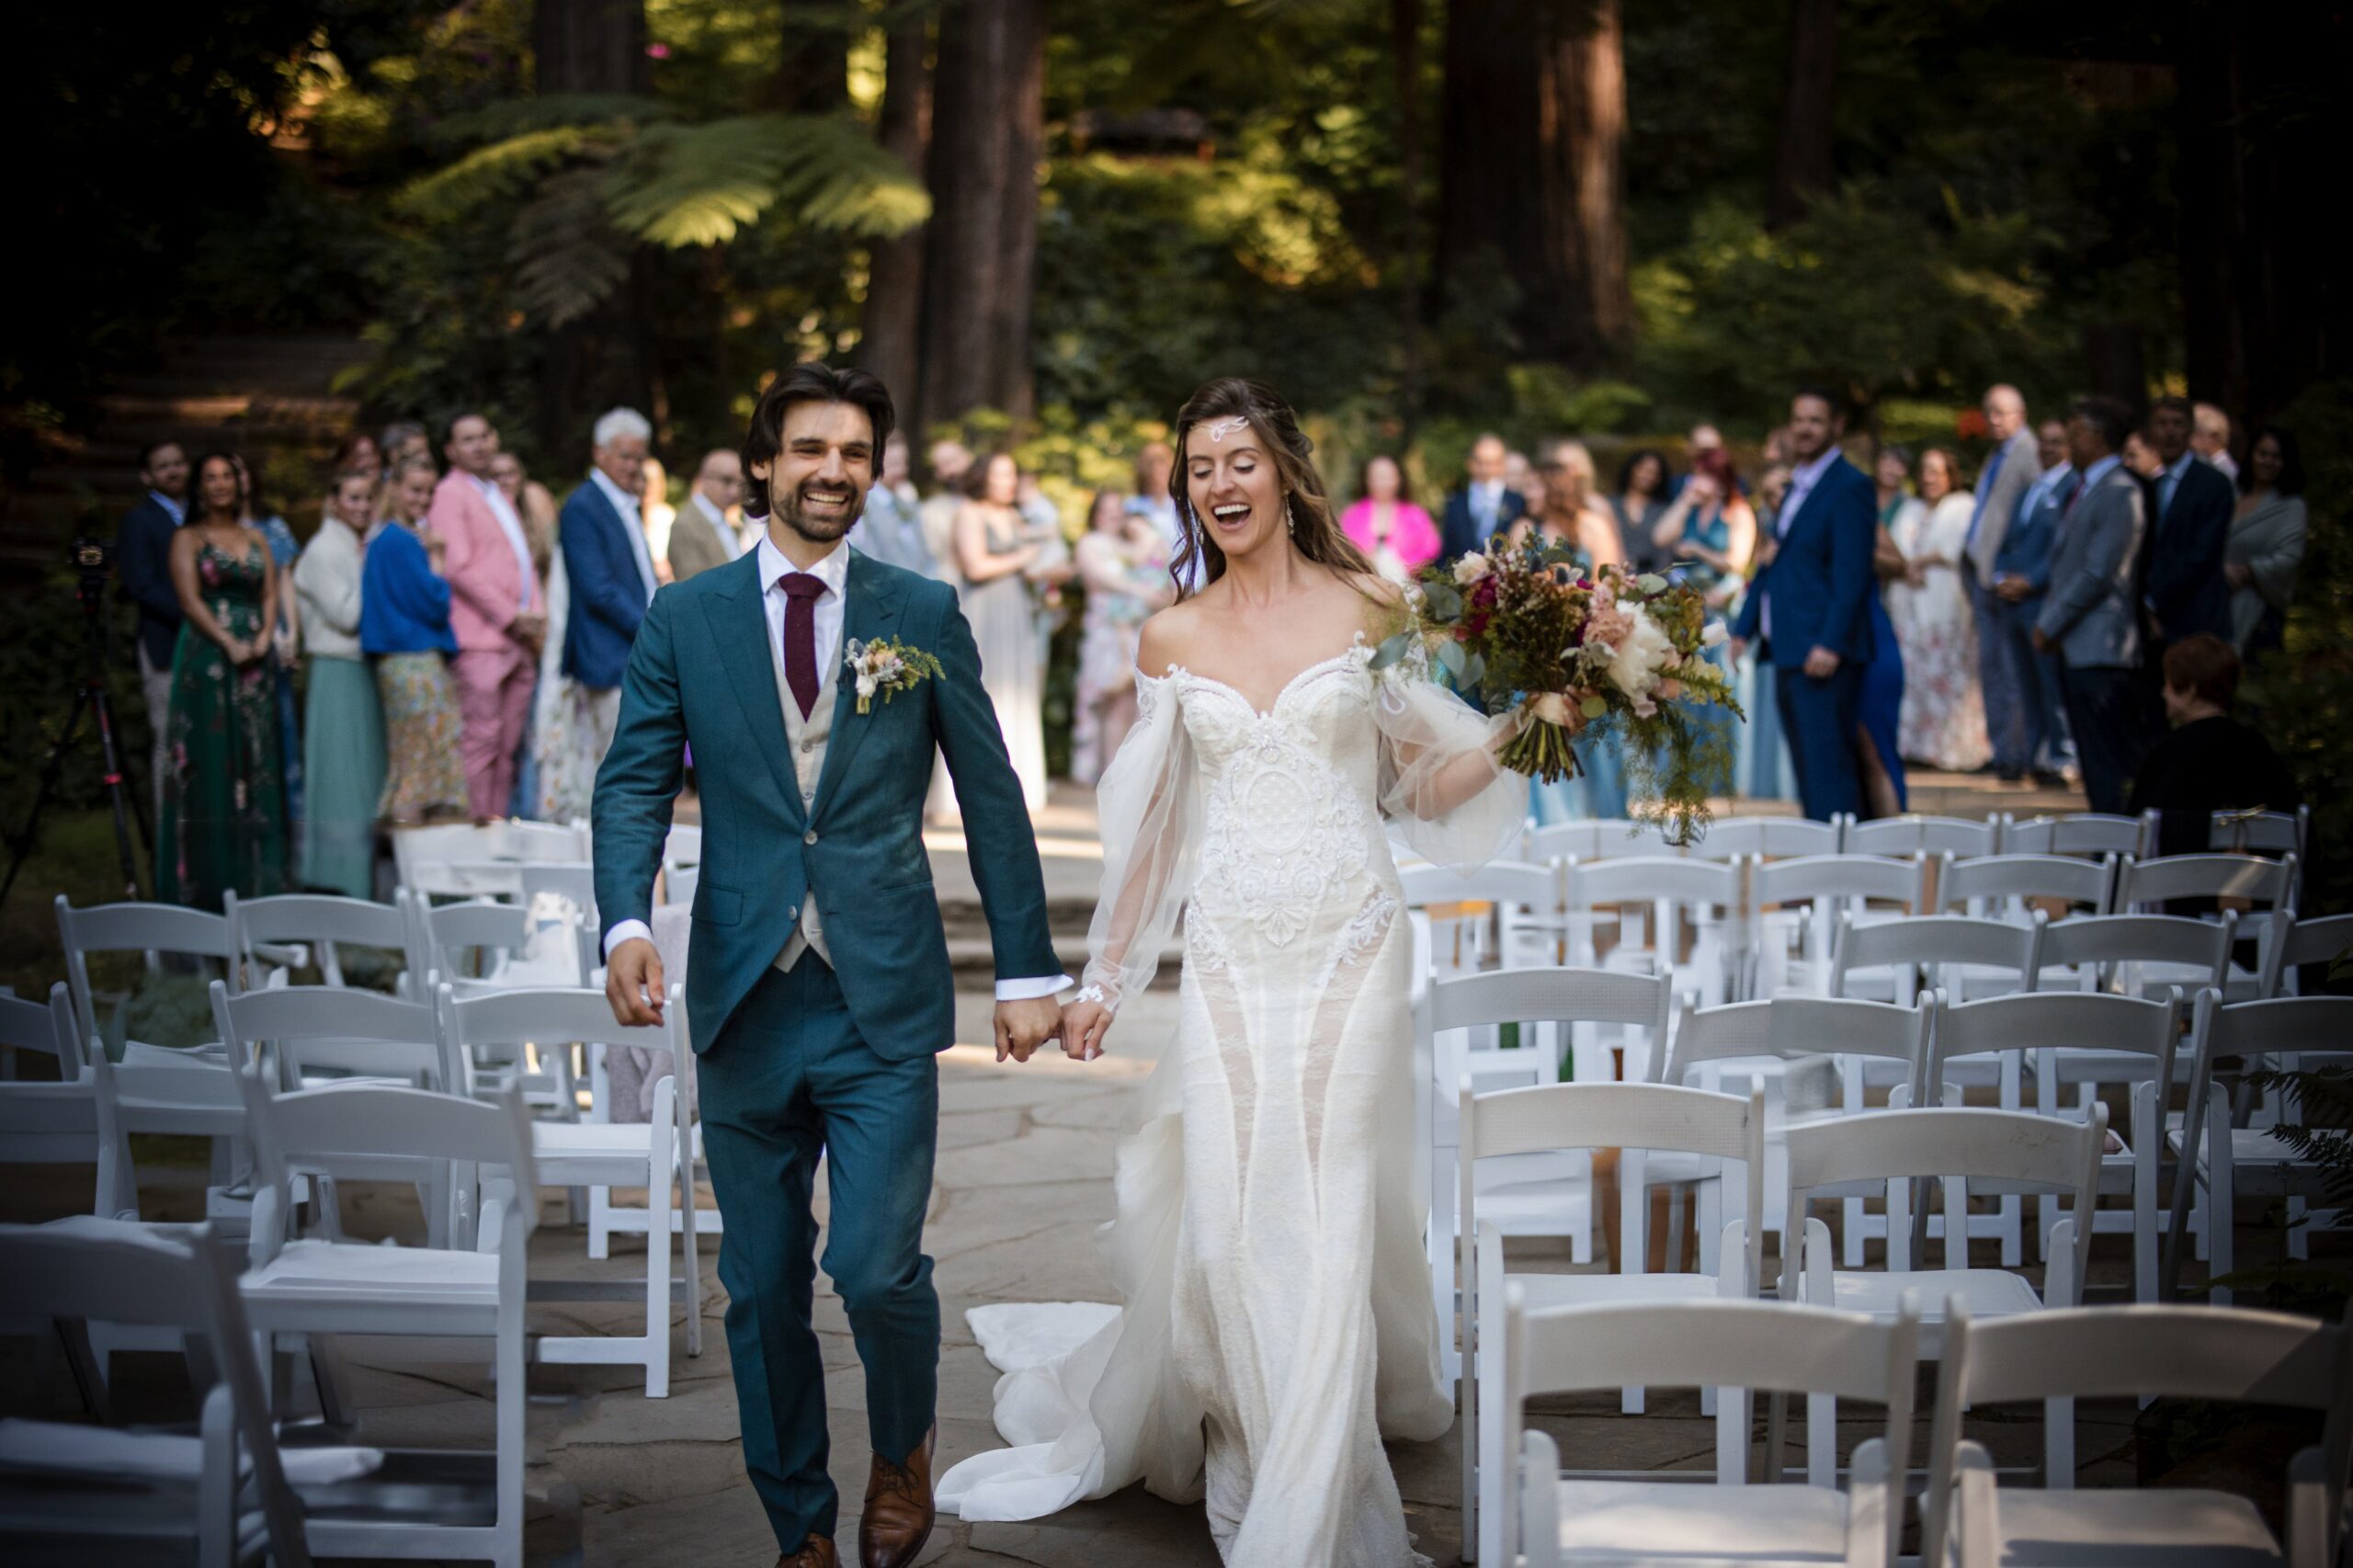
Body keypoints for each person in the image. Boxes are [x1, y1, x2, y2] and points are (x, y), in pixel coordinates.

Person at [939, 376, 1525, 1567]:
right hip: (1226, 952)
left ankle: (1306, 1512)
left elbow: (1420, 782)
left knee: (1321, 1215)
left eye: (1240, 461)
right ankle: (1252, 1429)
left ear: (1288, 471)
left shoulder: (1370, 603)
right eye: (1200, 467)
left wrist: (1532, 718)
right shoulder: (1173, 632)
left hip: (1352, 941)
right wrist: (1102, 973)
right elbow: (1152, 830)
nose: (1220, 484)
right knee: (1224, 1227)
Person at [593, 363, 1063, 1568]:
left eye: (854, 451)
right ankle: (797, 1520)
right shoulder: (685, 615)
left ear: (876, 467)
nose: (831, 471)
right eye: (809, 448)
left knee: (872, 1264)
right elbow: (635, 779)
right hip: (745, 997)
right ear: (763, 460)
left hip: (881, 994)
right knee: (758, 1289)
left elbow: (995, 797)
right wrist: (625, 921)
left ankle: (900, 1447)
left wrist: (1024, 971)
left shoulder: (919, 607)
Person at [1731, 389, 1879, 822]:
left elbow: (1852, 576)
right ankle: (1825, 870)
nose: (1804, 428)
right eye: (1798, 419)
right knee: (1807, 771)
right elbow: (1773, 562)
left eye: (1815, 420)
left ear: (1836, 427)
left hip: (1821, 650)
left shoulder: (1850, 487)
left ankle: (1842, 873)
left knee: (1829, 769)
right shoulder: (1795, 484)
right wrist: (1744, 627)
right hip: (1789, 646)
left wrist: (1831, 643)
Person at [156, 452, 289, 908]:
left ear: (239, 482)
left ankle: (258, 885)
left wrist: (266, 637)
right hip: (208, 661)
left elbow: (270, 592)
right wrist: (228, 642)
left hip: (255, 664)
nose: (219, 484)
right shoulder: (187, 538)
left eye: (227, 476)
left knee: (258, 761)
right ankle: (207, 887)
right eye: (209, 477)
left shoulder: (256, 537)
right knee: (211, 765)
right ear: (199, 487)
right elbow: (190, 601)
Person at [2033, 396, 2150, 815]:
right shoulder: (2086, 488)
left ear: (2098, 437)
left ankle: (2115, 849)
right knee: (2093, 757)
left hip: (2102, 647)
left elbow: (2099, 572)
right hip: (2078, 647)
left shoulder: (2120, 491)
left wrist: (2051, 622)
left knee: (2107, 760)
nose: (2068, 438)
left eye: (2077, 431)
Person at [431, 413, 545, 823]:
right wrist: (512, 616)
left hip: (519, 640)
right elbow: (458, 567)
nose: (478, 445)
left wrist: (537, 614)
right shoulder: (449, 493)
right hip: (481, 637)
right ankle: (473, 842)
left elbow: (522, 557)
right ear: (450, 450)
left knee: (507, 746)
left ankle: (497, 836)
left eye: (483, 436)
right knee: (481, 742)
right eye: (467, 439)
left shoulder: (496, 492)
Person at [549, 408, 660, 823]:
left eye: (638, 457)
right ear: (599, 453)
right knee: (612, 763)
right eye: (624, 456)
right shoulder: (584, 506)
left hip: (630, 650)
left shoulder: (624, 503)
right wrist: (651, 626)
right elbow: (597, 590)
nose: (633, 465)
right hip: (607, 653)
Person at [294, 470, 387, 898]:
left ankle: (367, 885)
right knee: (341, 784)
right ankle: (341, 887)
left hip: (361, 671)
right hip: (337, 672)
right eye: (353, 497)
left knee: (366, 783)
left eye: (368, 498)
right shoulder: (322, 550)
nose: (363, 506)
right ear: (333, 502)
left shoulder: (355, 545)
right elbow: (347, 615)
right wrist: (384, 574)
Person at [363, 455, 470, 824]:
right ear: (393, 489)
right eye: (414, 490)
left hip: (402, 660)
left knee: (418, 756)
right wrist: (438, 559)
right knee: (420, 761)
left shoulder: (385, 539)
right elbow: (434, 602)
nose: (423, 499)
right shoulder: (400, 541)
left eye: (428, 492)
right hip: (413, 660)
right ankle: (415, 865)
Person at [2128, 634, 2300, 856]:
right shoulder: (2257, 749)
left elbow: (2133, 834)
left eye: (2169, 684)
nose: (2163, 693)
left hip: (2176, 886)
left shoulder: (2168, 753)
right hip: (2259, 886)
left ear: (2189, 689)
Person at [953, 452, 1051, 811]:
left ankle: (1018, 781)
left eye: (1012, 475)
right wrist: (1025, 557)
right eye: (1002, 475)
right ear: (983, 477)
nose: (1010, 482)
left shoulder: (1012, 515)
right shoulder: (969, 513)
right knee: (985, 686)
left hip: (1015, 611)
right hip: (983, 611)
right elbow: (975, 566)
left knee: (1018, 688)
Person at [1888, 447, 1991, 773]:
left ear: (1950, 475)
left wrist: (1917, 562)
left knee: (1948, 675)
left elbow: (1955, 548)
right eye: (1925, 470)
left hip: (1944, 600)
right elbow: (1893, 545)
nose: (1930, 478)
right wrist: (1904, 568)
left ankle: (1950, 749)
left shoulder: (1962, 505)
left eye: (1937, 471)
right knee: (1913, 675)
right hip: (1908, 601)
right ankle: (1915, 747)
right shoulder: (1910, 507)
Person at [1961, 385, 2040, 786]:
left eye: (2003, 412)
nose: (1995, 419)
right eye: (1990, 411)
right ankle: (2001, 751)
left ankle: (2016, 754)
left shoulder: (2029, 452)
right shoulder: (1998, 454)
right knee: (1991, 670)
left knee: (2011, 673)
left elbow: (2035, 520)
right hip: (1983, 577)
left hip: (2006, 579)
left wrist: (2015, 570)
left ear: (2021, 413)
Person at [1990, 419, 2075, 785]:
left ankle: (2060, 756)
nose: (2049, 449)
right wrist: (2000, 577)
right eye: (2045, 442)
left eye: (2057, 442)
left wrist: (2030, 581)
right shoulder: (2032, 488)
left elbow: (2062, 549)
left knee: (2049, 684)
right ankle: (2034, 754)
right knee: (2025, 685)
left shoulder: (2073, 487)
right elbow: (2008, 538)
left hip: (2043, 601)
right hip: (2014, 603)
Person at [1071, 489, 1173, 783]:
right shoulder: (1090, 543)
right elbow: (1100, 578)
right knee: (1105, 698)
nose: (1114, 515)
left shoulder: (1129, 546)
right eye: (1108, 510)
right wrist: (1141, 591)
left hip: (1136, 627)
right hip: (1105, 631)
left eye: (1119, 510)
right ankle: (1106, 772)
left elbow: (1152, 557)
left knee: (1132, 700)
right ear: (1096, 514)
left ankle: (1128, 773)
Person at [119, 439, 191, 826]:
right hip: (166, 642)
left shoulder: (200, 514)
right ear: (148, 476)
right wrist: (194, 615)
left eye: (179, 462)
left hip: (207, 647)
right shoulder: (139, 521)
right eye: (164, 466)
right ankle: (171, 841)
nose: (174, 471)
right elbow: (141, 586)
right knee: (169, 742)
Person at [2143, 394, 2236, 648]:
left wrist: (2154, 600)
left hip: (2198, 619)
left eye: (2178, 423)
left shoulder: (2213, 484)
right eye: (2162, 424)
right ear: (2152, 430)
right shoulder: (2150, 486)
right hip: (2154, 626)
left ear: (2190, 430)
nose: (2170, 432)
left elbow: (2202, 554)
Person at [1733, 464, 1796, 801]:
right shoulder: (1771, 530)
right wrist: (1743, 632)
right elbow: (1758, 584)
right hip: (1770, 641)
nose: (1777, 499)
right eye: (1769, 493)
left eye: (1782, 489)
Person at [2224, 426, 2307, 654]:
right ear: (2251, 455)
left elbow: (2289, 558)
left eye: (2276, 456)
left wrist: (2247, 571)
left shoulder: (2291, 506)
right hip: (2217, 606)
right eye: (2263, 454)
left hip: (2258, 615)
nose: (2268, 462)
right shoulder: (2232, 494)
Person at [1338, 454, 1440, 581]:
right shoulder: (1351, 515)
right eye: (1376, 477)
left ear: (1399, 479)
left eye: (1387, 477)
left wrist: (1404, 568)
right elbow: (1342, 550)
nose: (1382, 483)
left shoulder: (1416, 515)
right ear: (1367, 480)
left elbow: (1431, 550)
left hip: (1410, 587)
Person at [855, 433, 934, 577]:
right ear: (876, 464)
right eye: (894, 464)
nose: (902, 470)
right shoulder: (863, 508)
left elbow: (925, 555)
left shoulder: (907, 505)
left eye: (905, 463)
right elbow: (868, 556)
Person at [668, 449, 749, 582]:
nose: (735, 491)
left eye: (740, 483)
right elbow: (691, 586)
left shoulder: (725, 520)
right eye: (727, 480)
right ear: (704, 478)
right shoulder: (686, 524)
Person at [1440, 431, 1524, 559]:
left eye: (1491, 463)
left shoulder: (1518, 503)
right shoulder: (1455, 503)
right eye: (1479, 462)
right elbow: (1447, 552)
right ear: (1469, 463)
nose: (1485, 469)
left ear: (1502, 465)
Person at [918, 438, 975, 588]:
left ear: (968, 458)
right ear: (937, 473)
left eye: (954, 460)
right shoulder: (930, 511)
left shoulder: (991, 500)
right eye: (943, 464)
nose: (952, 470)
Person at [1610, 448, 1672, 574]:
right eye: (1643, 470)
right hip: (1613, 575)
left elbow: (1665, 553)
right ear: (1632, 469)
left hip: (1650, 579)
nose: (1648, 476)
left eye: (1654, 473)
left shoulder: (1663, 511)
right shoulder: (1610, 505)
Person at [2193, 402, 2239, 483]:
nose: (2189, 441)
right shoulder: (2205, 463)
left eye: (2196, 434)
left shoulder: (2226, 471)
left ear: (2214, 438)